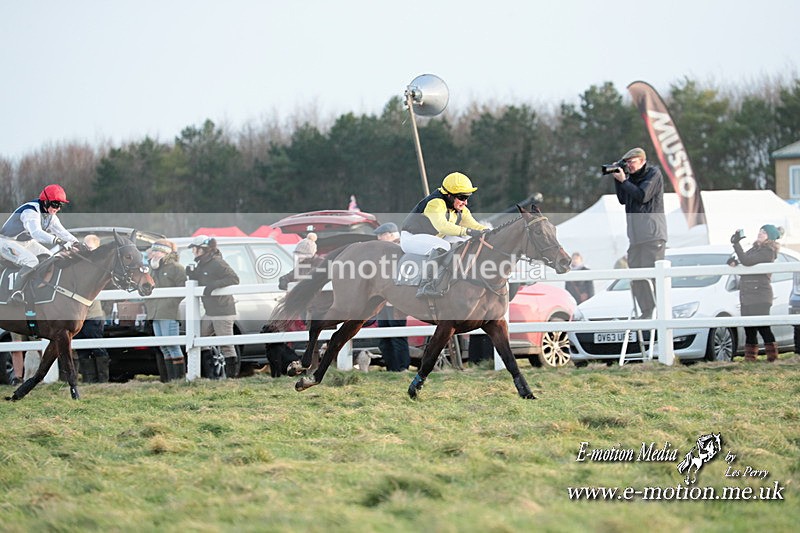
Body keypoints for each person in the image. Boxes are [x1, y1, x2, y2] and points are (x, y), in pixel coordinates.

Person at [400, 172, 489, 297]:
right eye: (462, 197)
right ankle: (426, 285)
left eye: (467, 197)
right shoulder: (435, 203)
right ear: (449, 195)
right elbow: (442, 226)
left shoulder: (459, 208)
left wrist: (489, 231)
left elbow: (473, 225)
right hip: (411, 238)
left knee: (464, 244)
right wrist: (466, 231)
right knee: (442, 247)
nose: (465, 202)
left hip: (432, 237)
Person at [609, 148, 667, 319]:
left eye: (631, 162)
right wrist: (618, 180)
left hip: (652, 235)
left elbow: (643, 195)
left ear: (642, 161)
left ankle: (659, 312)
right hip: (635, 238)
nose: (628, 166)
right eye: (626, 163)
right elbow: (622, 199)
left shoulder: (653, 173)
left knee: (652, 275)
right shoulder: (630, 178)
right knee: (636, 275)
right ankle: (646, 311)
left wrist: (625, 181)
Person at [0, 184, 80, 303]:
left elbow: (62, 232)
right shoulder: (30, 211)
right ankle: (15, 293)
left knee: (50, 258)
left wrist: (78, 243)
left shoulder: (49, 215)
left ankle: (36, 288)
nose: (58, 208)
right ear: (46, 202)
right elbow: (36, 233)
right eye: (55, 204)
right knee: (31, 261)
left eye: (60, 205)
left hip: (25, 242)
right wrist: (57, 240)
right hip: (6, 242)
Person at [185, 235, 239, 379]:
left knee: (226, 344)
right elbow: (203, 278)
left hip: (222, 310)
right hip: (210, 311)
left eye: (195, 249)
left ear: (202, 249)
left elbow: (234, 278)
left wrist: (213, 286)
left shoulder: (217, 262)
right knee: (201, 339)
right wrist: (192, 275)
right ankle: (211, 376)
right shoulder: (202, 264)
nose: (193, 252)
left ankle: (231, 377)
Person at [728, 225, 782, 362]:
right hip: (747, 294)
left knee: (763, 327)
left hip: (760, 294)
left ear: (770, 236)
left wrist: (736, 244)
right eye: (760, 230)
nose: (760, 233)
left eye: (764, 232)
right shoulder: (754, 249)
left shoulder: (768, 251)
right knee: (749, 328)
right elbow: (743, 261)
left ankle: (772, 358)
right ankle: (750, 359)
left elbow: (747, 262)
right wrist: (734, 262)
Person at [146, 239, 187, 381]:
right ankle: (169, 379)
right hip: (154, 312)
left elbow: (183, 290)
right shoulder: (152, 268)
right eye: (153, 251)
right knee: (163, 346)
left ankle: (179, 379)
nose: (153, 254)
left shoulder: (176, 268)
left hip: (169, 312)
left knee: (172, 345)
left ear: (165, 253)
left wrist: (170, 303)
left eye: (157, 251)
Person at [373, 223, 410, 371]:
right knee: (385, 337)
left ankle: (401, 367)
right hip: (384, 299)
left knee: (397, 336)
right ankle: (392, 368)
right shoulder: (387, 250)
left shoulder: (402, 249)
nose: (378, 238)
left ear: (390, 234)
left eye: (381, 235)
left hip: (396, 300)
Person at [74, 235, 110, 383]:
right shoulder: (78, 264)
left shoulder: (99, 267)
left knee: (97, 346)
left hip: (92, 314)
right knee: (82, 349)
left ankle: (103, 380)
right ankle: (89, 380)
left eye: (89, 247)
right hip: (77, 314)